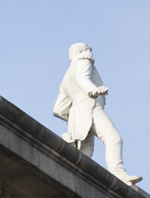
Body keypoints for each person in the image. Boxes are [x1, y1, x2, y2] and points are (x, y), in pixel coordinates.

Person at [53, 42, 141, 185]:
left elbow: (58, 109)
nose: (90, 50)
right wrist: (92, 91)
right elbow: (83, 79)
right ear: (81, 50)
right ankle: (118, 173)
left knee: (84, 155)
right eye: (87, 48)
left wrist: (74, 117)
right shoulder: (83, 59)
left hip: (77, 114)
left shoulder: (65, 79)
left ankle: (70, 182)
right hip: (89, 104)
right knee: (113, 138)